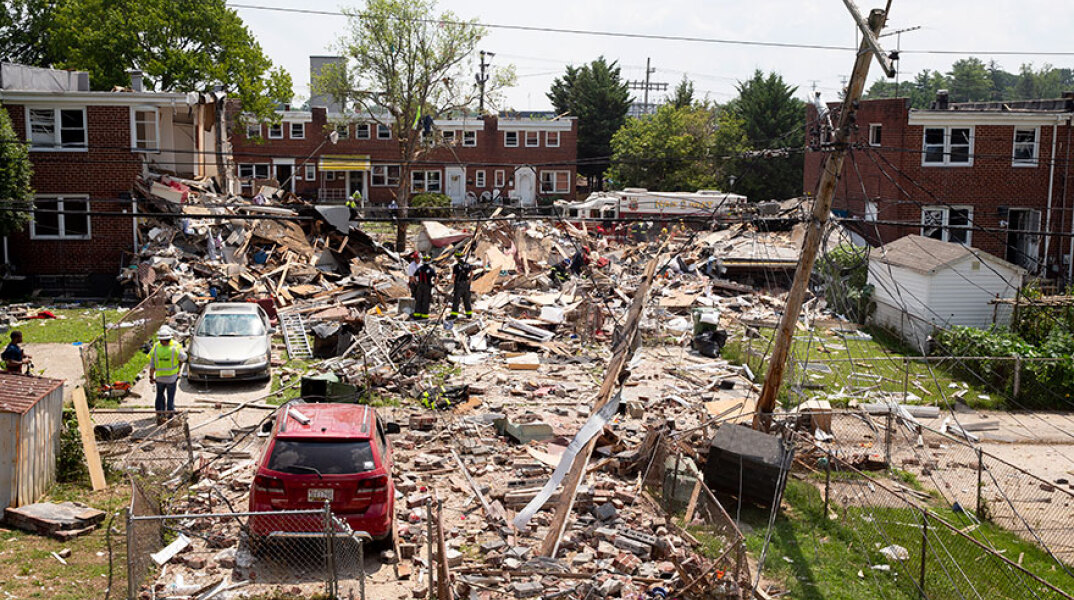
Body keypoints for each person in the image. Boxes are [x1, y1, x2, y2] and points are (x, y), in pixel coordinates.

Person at [149, 327, 186, 426]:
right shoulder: (175, 347)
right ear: (169, 338)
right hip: (171, 379)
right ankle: (170, 419)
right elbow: (184, 358)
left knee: (159, 396)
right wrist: (178, 369)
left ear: (160, 339)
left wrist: (151, 376)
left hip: (160, 378)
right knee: (170, 398)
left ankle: (160, 417)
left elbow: (152, 365)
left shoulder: (156, 348)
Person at [450, 251, 474, 319]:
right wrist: (469, 281)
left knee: (456, 300)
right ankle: (469, 315)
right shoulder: (468, 265)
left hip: (459, 284)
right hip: (466, 284)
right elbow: (472, 273)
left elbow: (454, 276)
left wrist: (452, 282)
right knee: (467, 300)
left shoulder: (456, 266)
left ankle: (454, 315)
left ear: (457, 258)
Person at [412, 255, 437, 320]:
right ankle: (424, 316)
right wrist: (434, 284)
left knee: (419, 300)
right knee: (425, 301)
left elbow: (414, 276)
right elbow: (436, 277)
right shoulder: (430, 269)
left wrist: (416, 283)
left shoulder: (420, 268)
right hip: (427, 286)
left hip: (420, 286)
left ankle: (417, 315)